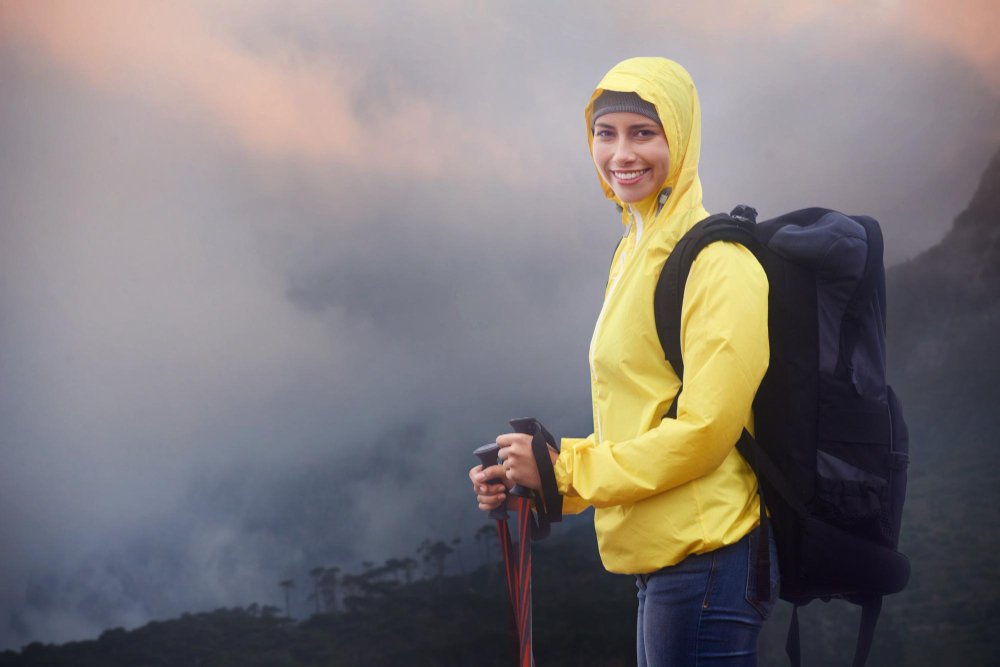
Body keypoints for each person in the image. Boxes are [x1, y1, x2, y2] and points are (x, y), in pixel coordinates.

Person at [469, 57, 780, 666]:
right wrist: (540, 474)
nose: (621, 154)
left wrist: (563, 475)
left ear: (682, 139)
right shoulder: (634, 250)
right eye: (604, 133)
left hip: (709, 555)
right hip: (666, 559)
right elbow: (641, 416)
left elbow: (703, 434)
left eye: (643, 133)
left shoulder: (718, 262)